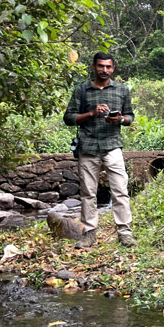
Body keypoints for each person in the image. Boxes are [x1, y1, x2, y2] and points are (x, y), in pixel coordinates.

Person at [63, 53, 135, 248]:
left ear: (113, 68)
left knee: (120, 191)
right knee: (88, 193)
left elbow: (130, 117)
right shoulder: (82, 90)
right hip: (88, 146)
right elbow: (68, 118)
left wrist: (120, 119)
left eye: (108, 67)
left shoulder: (121, 90)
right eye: (101, 66)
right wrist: (91, 113)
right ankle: (89, 234)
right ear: (94, 67)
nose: (104, 70)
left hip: (112, 145)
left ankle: (125, 234)